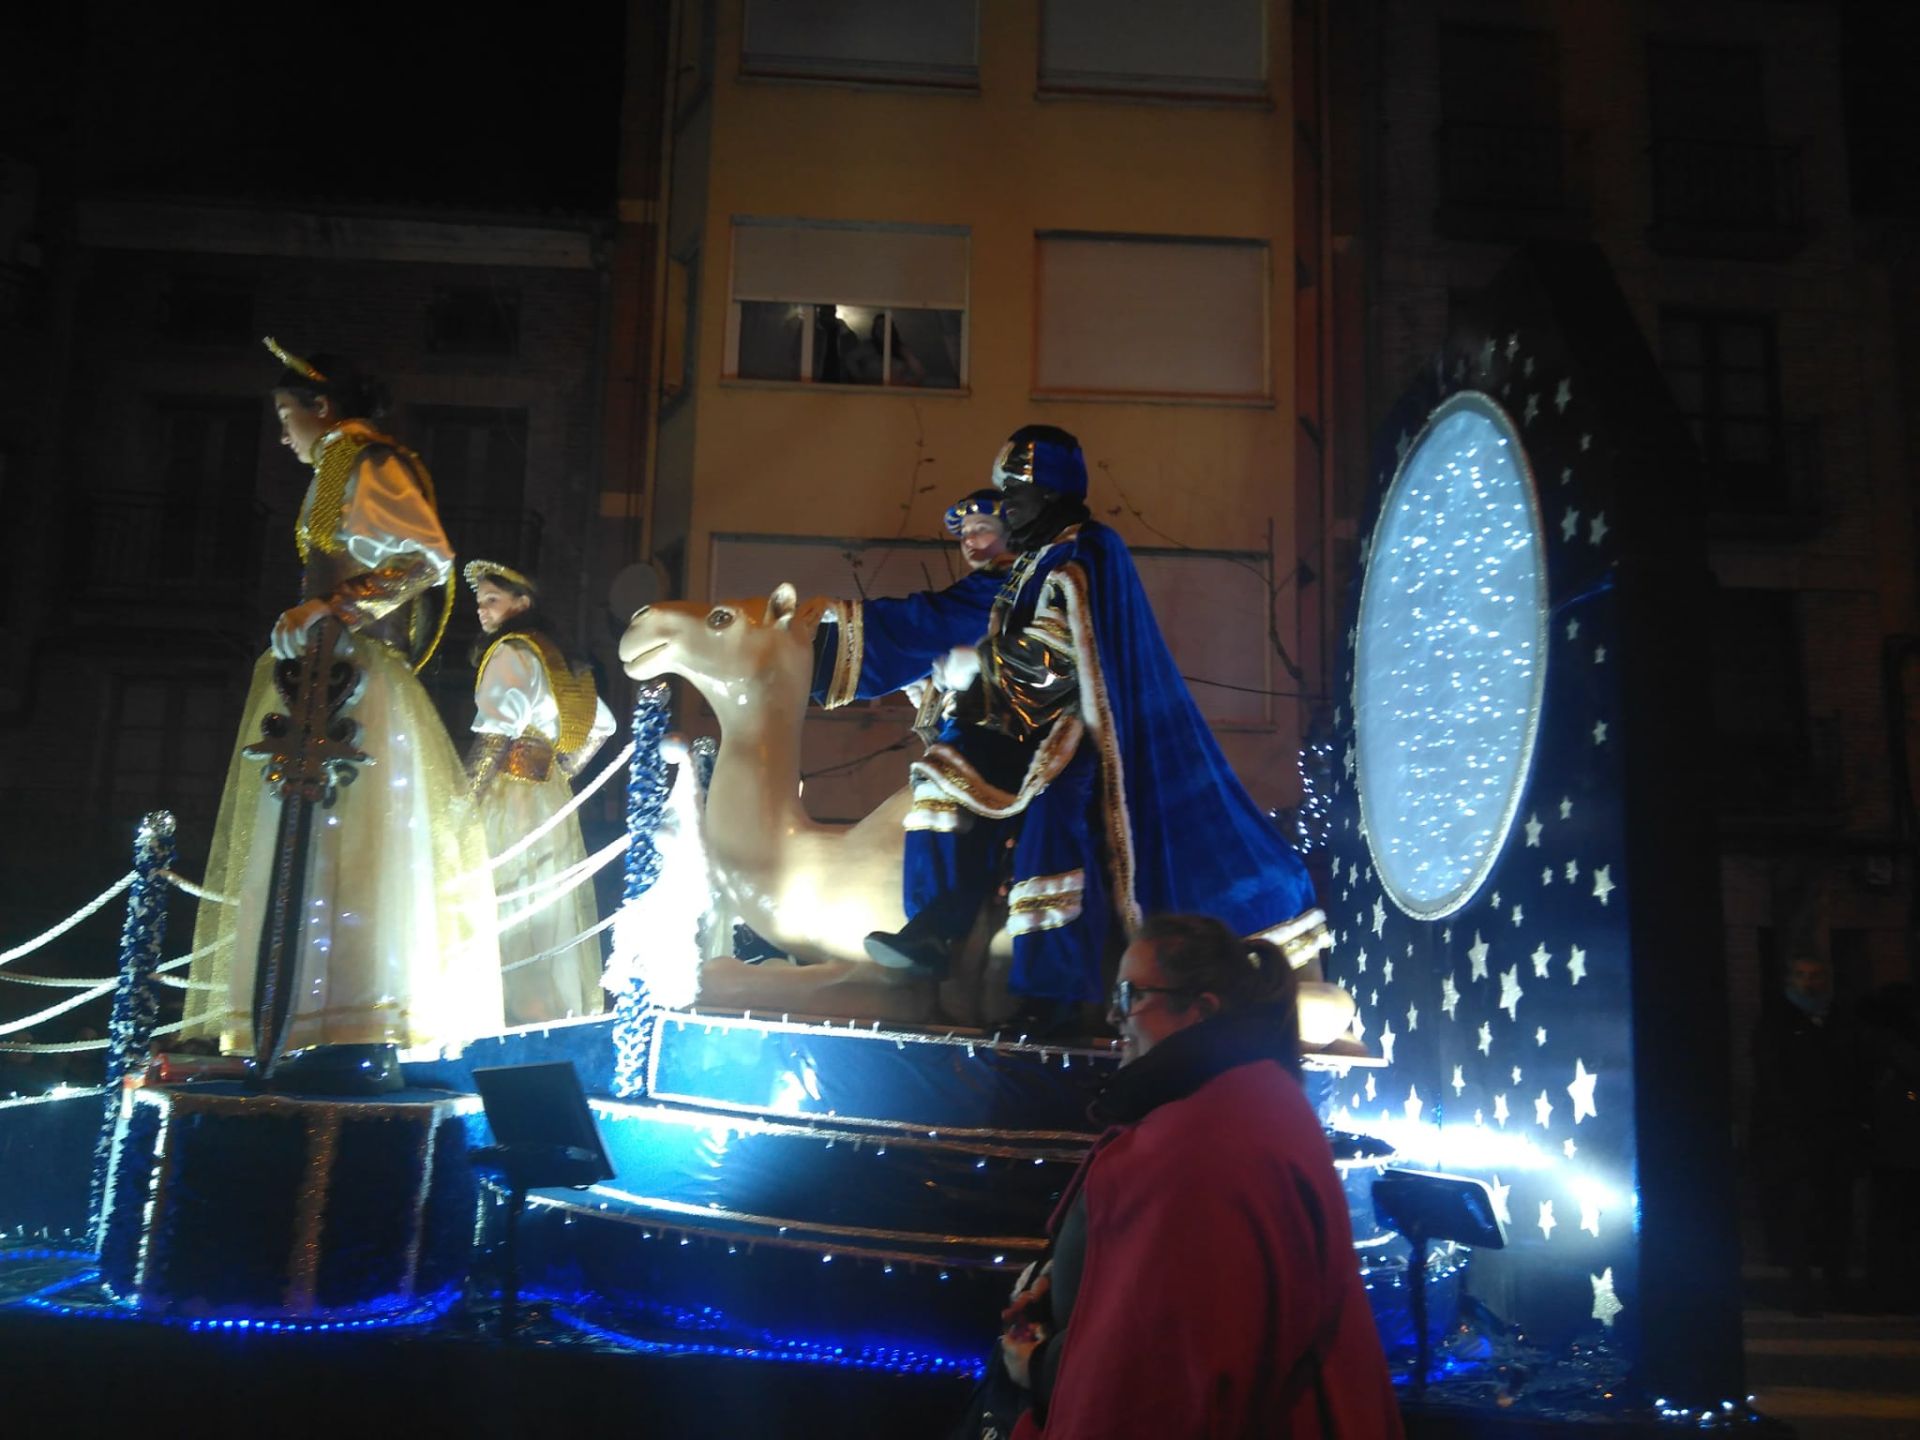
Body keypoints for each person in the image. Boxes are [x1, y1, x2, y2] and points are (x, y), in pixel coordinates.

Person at [864, 425, 1329, 1014]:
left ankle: (1055, 991)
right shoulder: (1036, 559)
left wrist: (976, 667)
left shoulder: (1083, 552)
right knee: (940, 776)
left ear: (1052, 491)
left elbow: (1056, 655)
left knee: (1056, 820)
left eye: (1015, 496)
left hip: (1079, 733)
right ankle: (938, 926)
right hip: (1030, 726)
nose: (1005, 510)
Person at [182, 339, 501, 1085]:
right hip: (322, 674)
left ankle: (349, 1020)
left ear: (320, 408)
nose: (282, 433)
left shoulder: (365, 460)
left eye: (285, 416)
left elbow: (425, 556)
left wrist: (337, 605)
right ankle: (301, 1015)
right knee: (320, 840)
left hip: (351, 679)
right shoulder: (342, 464)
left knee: (353, 843)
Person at [974, 913, 1400, 1438]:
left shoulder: (1207, 1140)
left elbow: (1169, 1369)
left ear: (1201, 1011)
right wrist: (1053, 1288)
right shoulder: (1235, 1101)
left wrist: (1041, 1367)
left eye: (1132, 995)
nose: (1114, 1015)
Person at [465, 561, 616, 1024]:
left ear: (521, 603)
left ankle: (502, 1013)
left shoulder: (513, 652)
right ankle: (540, 1014)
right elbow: (602, 726)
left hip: (508, 796)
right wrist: (561, 771)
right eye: (479, 602)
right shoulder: (557, 658)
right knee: (538, 908)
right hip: (546, 800)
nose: (481, 611)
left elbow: (493, 737)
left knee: (500, 897)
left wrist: (459, 800)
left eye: (491, 599)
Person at [1751, 953, 1869, 1314]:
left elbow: (1854, 1071)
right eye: (1802, 975)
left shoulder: (1838, 1019)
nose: (1808, 982)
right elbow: (1772, 1078)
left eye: (1815, 975)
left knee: (1836, 1215)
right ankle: (1804, 1289)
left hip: (1833, 1134)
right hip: (1795, 1136)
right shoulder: (1777, 1021)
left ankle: (1835, 1287)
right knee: (1801, 1215)